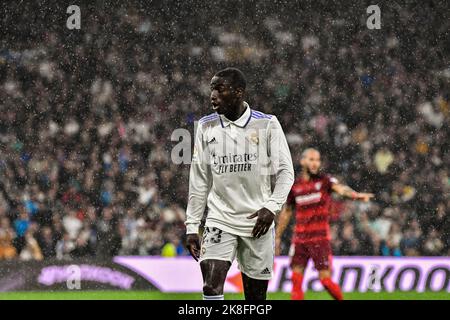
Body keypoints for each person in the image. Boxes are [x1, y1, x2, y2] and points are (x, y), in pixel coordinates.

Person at [185, 67, 294, 300]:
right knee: (210, 287)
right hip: (219, 219)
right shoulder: (206, 126)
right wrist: (192, 225)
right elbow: (199, 179)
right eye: (211, 89)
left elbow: (286, 172)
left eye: (219, 89)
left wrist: (272, 208)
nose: (212, 95)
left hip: (257, 221)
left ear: (238, 92)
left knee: (255, 300)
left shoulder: (267, 124)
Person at [275, 148, 374, 300]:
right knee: (296, 281)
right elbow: (287, 212)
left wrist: (356, 195)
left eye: (317, 160)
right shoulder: (295, 186)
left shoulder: (324, 181)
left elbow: (341, 189)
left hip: (319, 240)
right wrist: (277, 236)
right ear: (302, 161)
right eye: (311, 159)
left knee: (325, 281)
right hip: (299, 240)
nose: (315, 163)